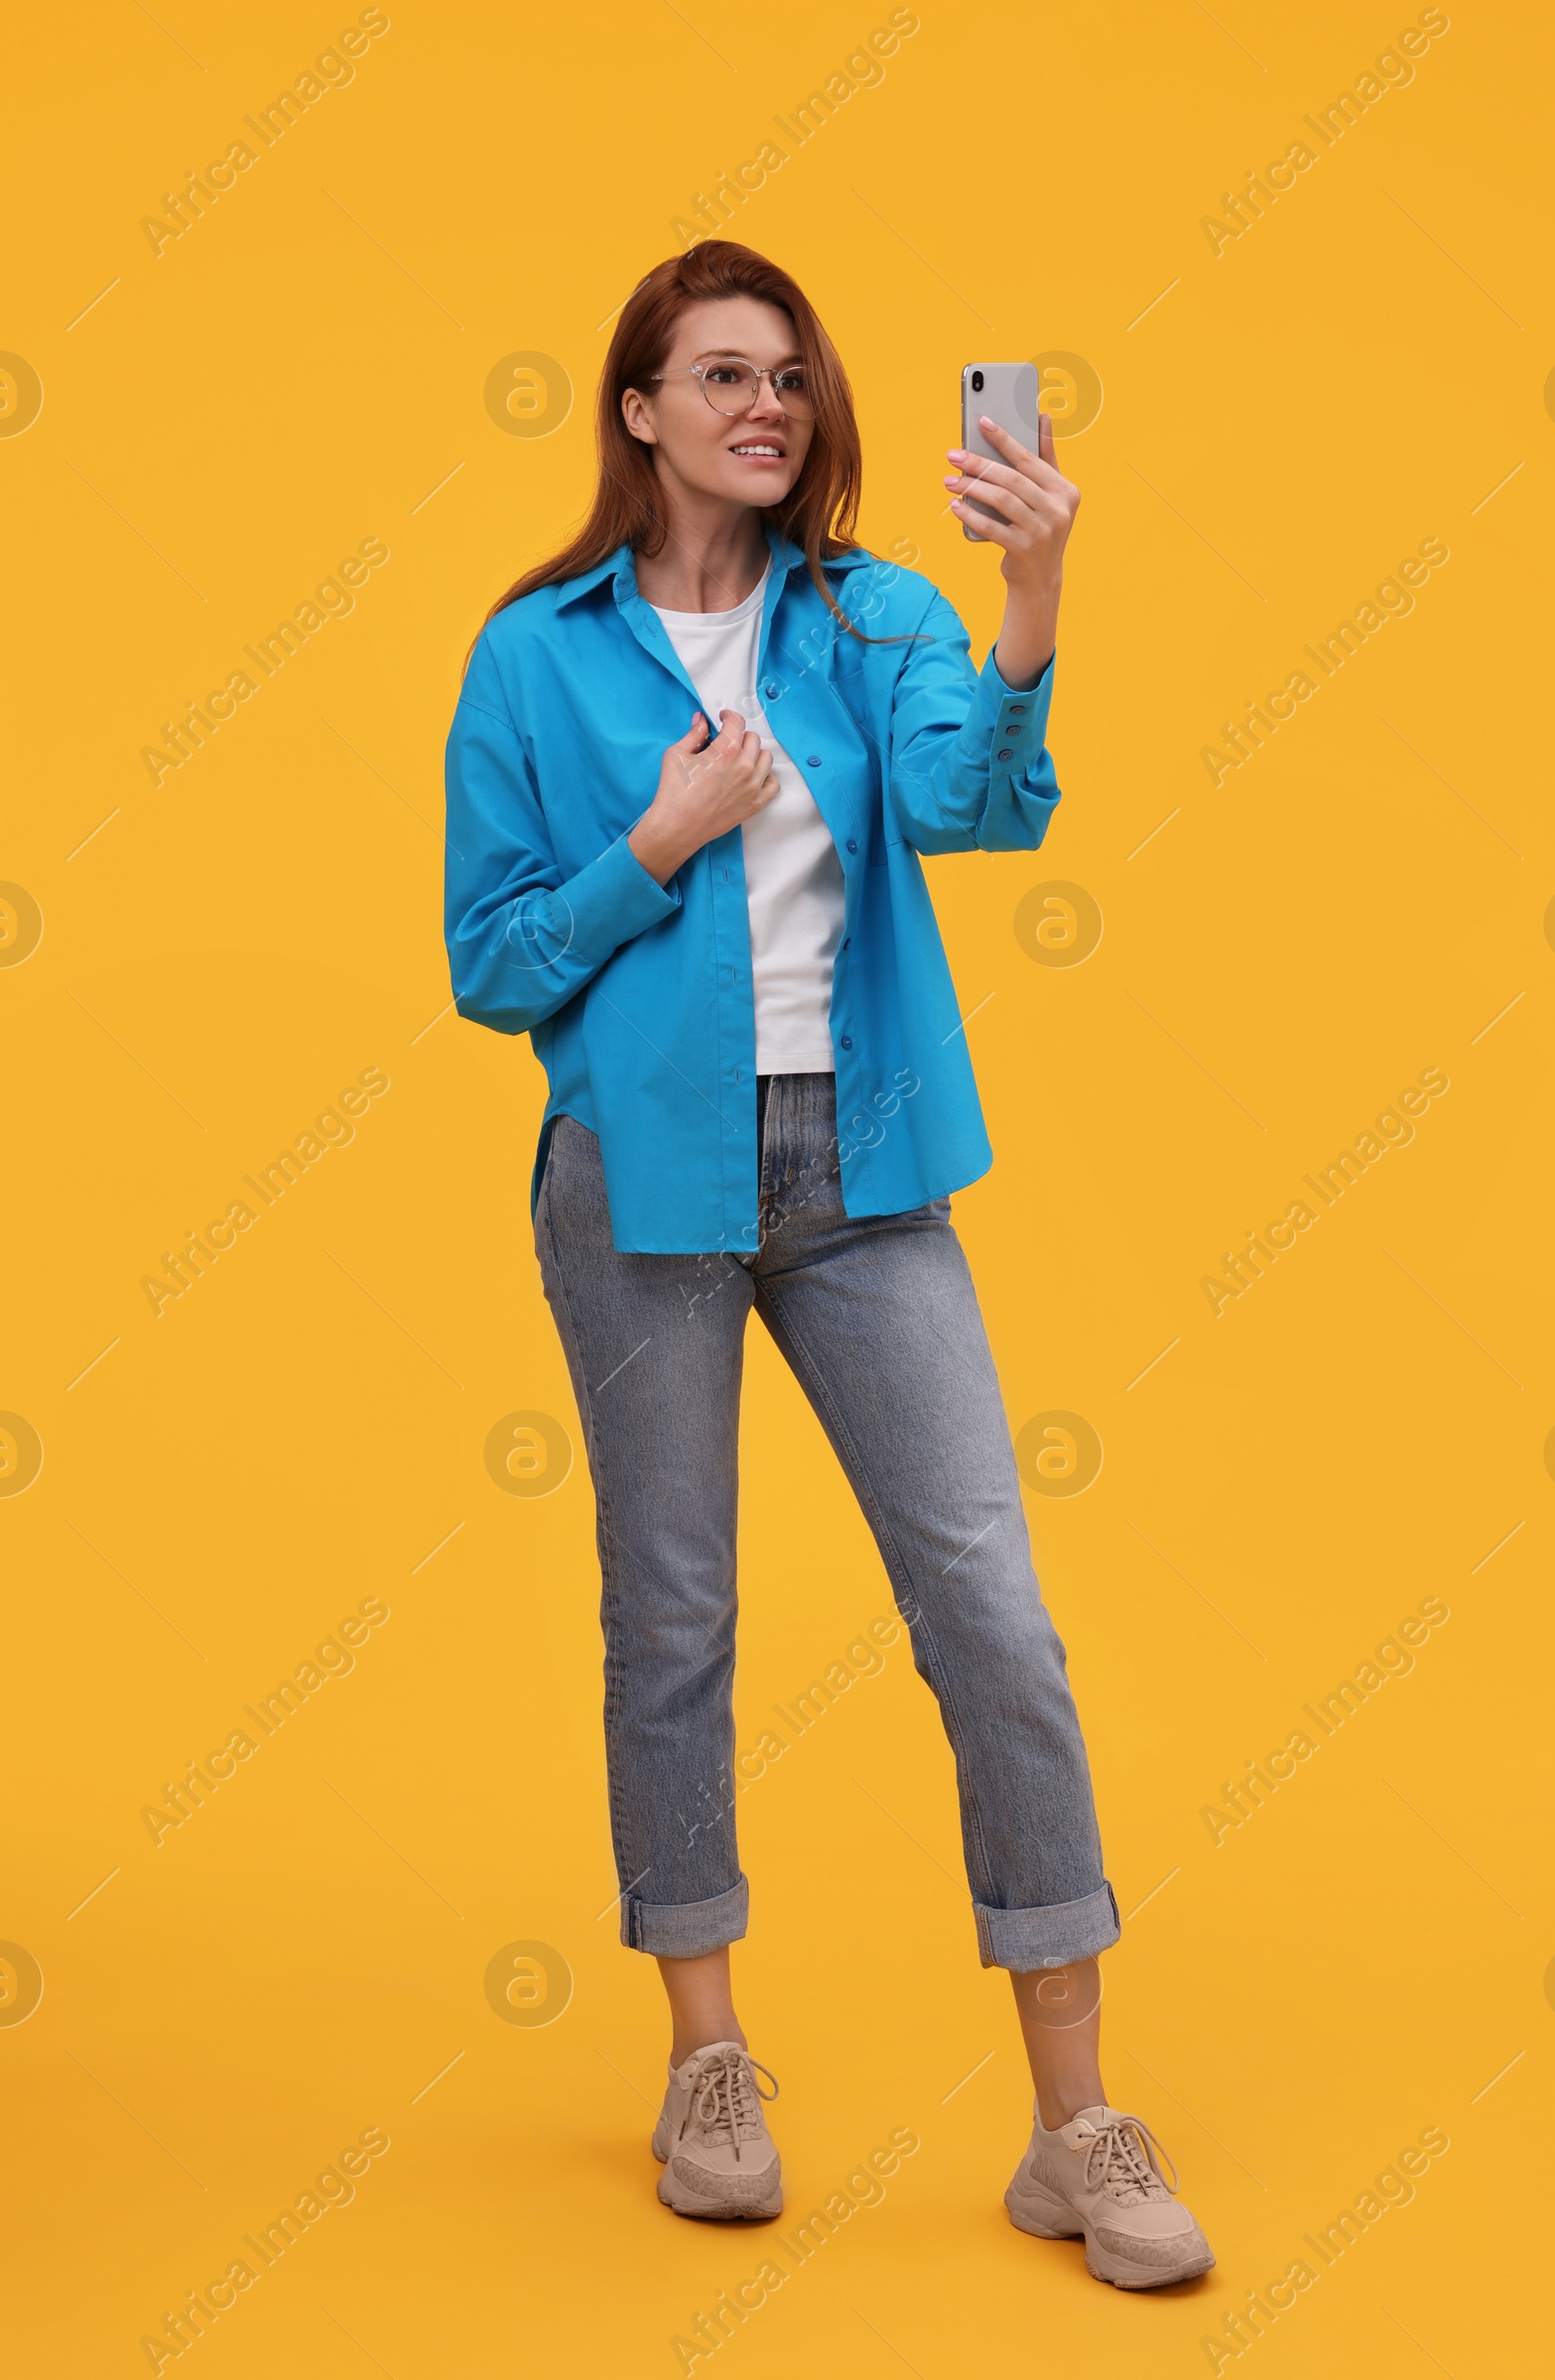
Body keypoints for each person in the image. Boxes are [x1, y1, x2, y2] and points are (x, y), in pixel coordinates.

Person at [444, 239, 1214, 2291]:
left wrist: (1034, 595)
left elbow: (976, 804)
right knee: (671, 1615)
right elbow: (488, 960)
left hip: (860, 1167)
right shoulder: (536, 656)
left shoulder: (870, 616)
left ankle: (1075, 2120)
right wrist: (658, 843)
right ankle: (709, 2058)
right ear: (637, 412)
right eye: (718, 375)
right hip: (638, 1181)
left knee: (991, 1612)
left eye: (787, 374)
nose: (764, 404)